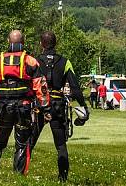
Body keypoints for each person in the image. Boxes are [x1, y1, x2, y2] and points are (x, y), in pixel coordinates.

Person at [0, 29, 50, 175]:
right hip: (23, 108)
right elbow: (41, 86)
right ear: (23, 42)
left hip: (3, 107)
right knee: (22, 143)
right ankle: (18, 176)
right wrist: (45, 106)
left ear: (9, 42)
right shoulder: (30, 61)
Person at [30, 31, 89, 182]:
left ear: (41, 44)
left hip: (40, 105)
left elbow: (29, 84)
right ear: (56, 44)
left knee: (29, 141)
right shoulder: (65, 62)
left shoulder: (34, 61)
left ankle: (20, 172)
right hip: (57, 105)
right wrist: (83, 106)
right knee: (61, 145)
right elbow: (75, 87)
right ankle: (63, 178)